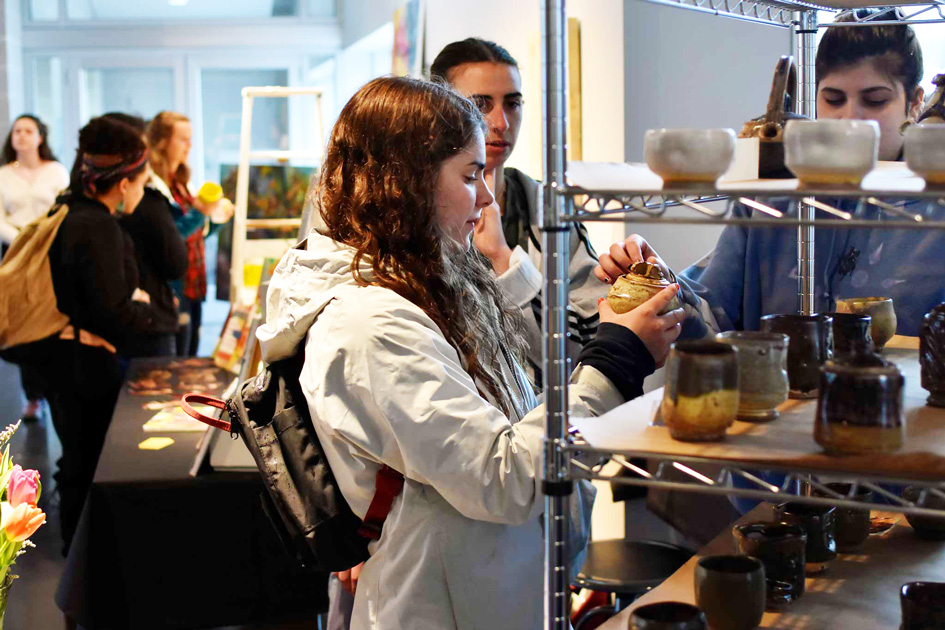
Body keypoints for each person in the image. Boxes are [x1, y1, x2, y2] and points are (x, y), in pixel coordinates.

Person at [255, 76, 685, 629]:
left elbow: (525, 411)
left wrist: (624, 319)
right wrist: (616, 355)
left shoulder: (424, 280)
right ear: (405, 181)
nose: (486, 198)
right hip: (445, 606)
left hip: (486, 586)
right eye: (471, 174)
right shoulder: (371, 325)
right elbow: (504, 478)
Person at [598, 9, 942, 337]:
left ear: (914, 101)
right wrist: (657, 280)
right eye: (833, 100)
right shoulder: (775, 193)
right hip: (775, 396)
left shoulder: (934, 211)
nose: (849, 119)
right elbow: (712, 313)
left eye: (875, 100)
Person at [430, 38, 607, 378]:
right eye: (480, 104)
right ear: (437, 109)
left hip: (547, 416)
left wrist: (504, 262)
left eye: (512, 103)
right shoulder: (410, 213)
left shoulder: (548, 209)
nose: (501, 122)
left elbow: (591, 337)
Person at [45, 116, 156, 552]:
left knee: (75, 464)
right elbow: (113, 311)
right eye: (144, 181)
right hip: (85, 368)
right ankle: (83, 574)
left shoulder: (68, 210)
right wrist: (143, 307)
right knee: (86, 466)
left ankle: (76, 573)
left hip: (64, 361)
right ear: (124, 183)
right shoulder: (99, 226)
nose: (145, 190)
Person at [0, 114, 70, 422]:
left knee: (49, 313)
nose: (22, 136)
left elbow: (63, 209)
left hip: (50, 250)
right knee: (22, 318)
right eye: (17, 131)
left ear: (40, 136)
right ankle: (32, 396)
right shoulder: (4, 173)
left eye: (29, 131)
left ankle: (55, 386)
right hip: (14, 251)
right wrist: (21, 240)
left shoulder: (55, 171)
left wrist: (39, 240)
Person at [147, 111, 233, 357]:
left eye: (191, 139)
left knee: (191, 352)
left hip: (193, 284)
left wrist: (216, 219)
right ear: (163, 142)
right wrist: (200, 212)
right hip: (173, 287)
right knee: (179, 358)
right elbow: (170, 238)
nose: (190, 146)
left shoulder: (182, 181)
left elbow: (195, 234)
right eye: (183, 139)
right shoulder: (153, 187)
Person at [107, 112, 188, 358]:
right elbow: (175, 260)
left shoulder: (87, 205)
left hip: (134, 318)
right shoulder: (148, 198)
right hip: (145, 325)